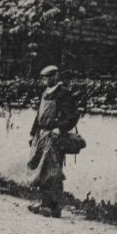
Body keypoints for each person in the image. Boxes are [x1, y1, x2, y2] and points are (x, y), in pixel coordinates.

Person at [27, 65, 79, 217]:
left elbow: (73, 115)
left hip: (54, 136)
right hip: (41, 135)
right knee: (41, 169)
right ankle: (45, 203)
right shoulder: (44, 93)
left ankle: (54, 207)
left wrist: (60, 128)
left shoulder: (63, 93)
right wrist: (32, 133)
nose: (46, 80)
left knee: (53, 171)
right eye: (44, 77)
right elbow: (39, 115)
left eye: (50, 77)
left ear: (56, 76)